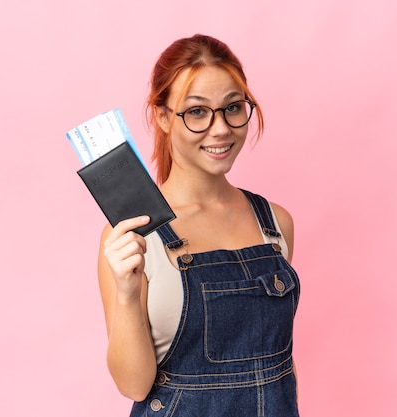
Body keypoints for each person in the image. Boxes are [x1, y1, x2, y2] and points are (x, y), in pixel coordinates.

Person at [98, 34, 301, 416]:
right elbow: (133, 384)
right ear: (161, 116)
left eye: (233, 107)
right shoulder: (132, 234)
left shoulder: (275, 224)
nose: (221, 128)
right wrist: (126, 292)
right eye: (196, 111)